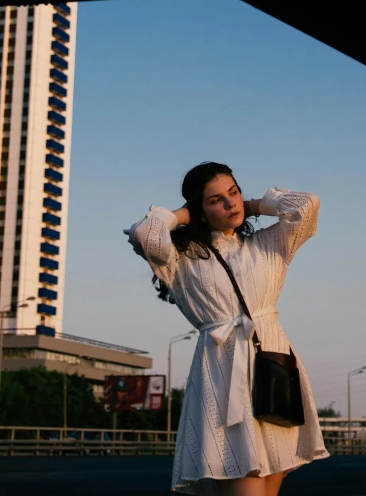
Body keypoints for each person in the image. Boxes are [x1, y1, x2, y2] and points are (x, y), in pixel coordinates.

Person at [124, 162, 329, 495]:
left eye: (233, 193)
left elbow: (307, 205)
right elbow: (144, 234)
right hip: (222, 377)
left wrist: (253, 206)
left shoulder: (269, 243)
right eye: (216, 200)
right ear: (199, 210)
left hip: (271, 372)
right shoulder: (182, 257)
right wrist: (186, 214)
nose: (230, 203)